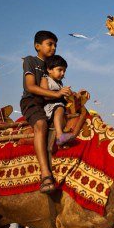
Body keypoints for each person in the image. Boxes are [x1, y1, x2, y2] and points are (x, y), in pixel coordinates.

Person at [20, 31, 72, 193]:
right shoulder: (31, 61)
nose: (54, 47)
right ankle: (45, 174)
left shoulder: (53, 65)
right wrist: (57, 94)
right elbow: (30, 86)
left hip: (50, 103)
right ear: (37, 46)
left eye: (55, 45)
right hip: (33, 101)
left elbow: (58, 88)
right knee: (41, 124)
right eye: (50, 44)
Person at [40, 55, 75, 146]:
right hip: (50, 107)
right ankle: (59, 135)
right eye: (60, 70)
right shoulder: (45, 79)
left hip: (59, 106)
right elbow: (45, 94)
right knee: (59, 107)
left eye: (64, 71)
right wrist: (59, 93)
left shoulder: (59, 84)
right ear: (49, 69)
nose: (63, 73)